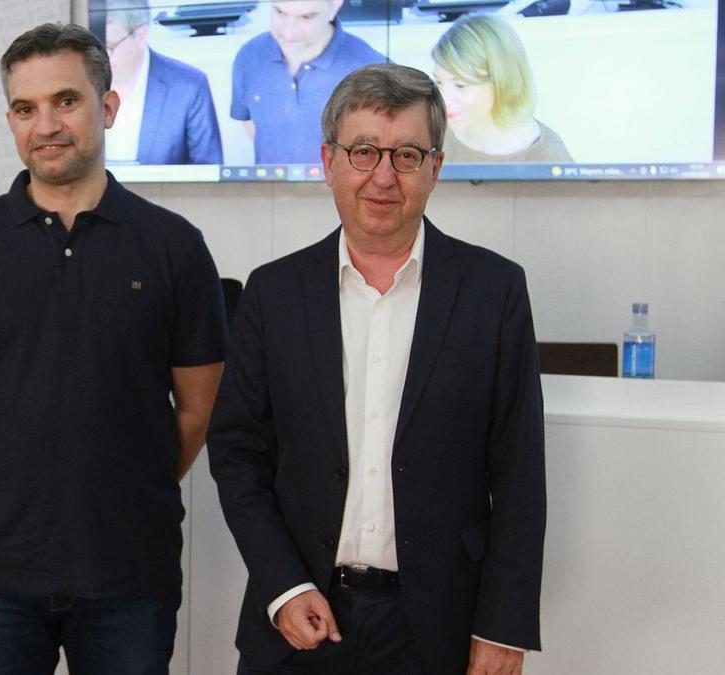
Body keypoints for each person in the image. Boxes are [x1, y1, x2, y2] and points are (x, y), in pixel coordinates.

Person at [0, 22, 228, 674]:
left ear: (107, 107)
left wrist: (123, 482)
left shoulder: (174, 247)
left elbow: (197, 409)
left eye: (66, 101)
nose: (46, 124)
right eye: (26, 109)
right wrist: (10, 478)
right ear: (11, 121)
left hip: (129, 571)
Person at [208, 64, 545, 674]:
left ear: (436, 167)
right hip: (300, 618)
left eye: (407, 154)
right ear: (330, 161)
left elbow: (519, 474)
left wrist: (505, 626)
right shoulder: (273, 292)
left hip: (438, 628)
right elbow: (236, 454)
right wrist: (283, 586)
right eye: (363, 152)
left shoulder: (494, 292)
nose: (383, 176)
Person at [231, 0, 384, 165]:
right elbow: (249, 121)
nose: (289, 32)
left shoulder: (374, 74)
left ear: (334, 6)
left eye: (306, 17)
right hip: (272, 189)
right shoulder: (249, 56)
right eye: (280, 12)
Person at [431, 14, 572, 163]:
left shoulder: (549, 158)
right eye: (438, 82)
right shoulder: (432, 138)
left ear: (501, 81)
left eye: (460, 85)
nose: (443, 99)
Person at [103, 0, 223, 165]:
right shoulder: (82, 83)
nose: (101, 57)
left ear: (141, 35)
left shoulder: (189, 87)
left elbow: (209, 172)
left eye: (109, 47)